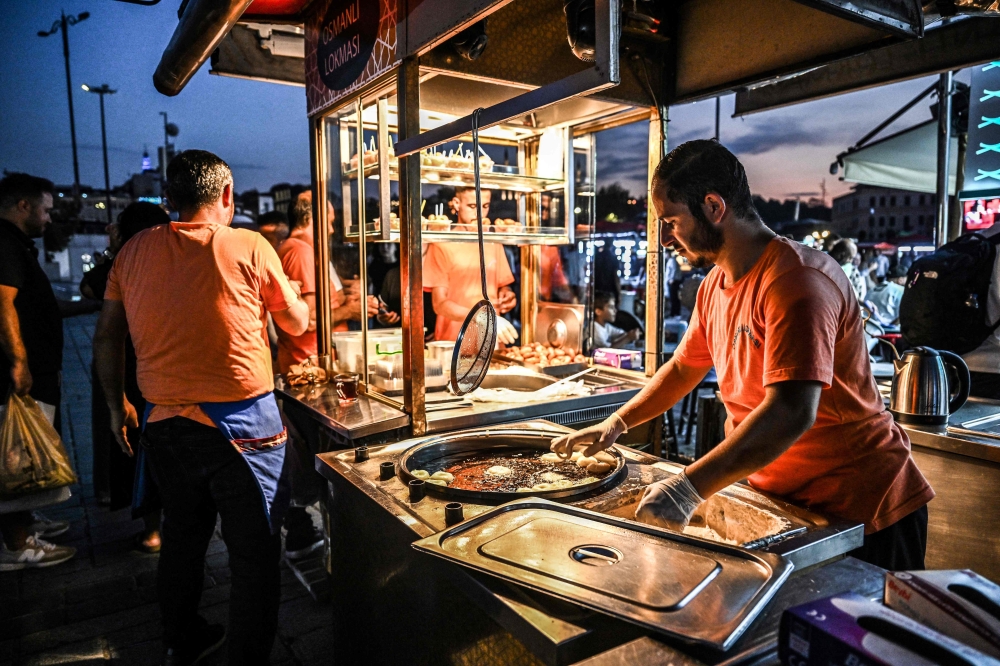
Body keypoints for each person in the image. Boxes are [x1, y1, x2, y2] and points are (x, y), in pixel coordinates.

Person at [551, 140, 933, 571]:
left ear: (714, 207)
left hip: (863, 509)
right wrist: (618, 422)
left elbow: (791, 411)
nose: (665, 238)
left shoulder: (796, 280)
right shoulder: (715, 285)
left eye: (671, 221)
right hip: (785, 499)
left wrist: (688, 487)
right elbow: (684, 366)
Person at [93, 150, 310, 665]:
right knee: (254, 555)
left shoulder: (132, 252)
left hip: (164, 424)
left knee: (182, 541)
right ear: (227, 195)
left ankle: (182, 640)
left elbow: (106, 337)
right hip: (244, 430)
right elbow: (297, 323)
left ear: (170, 197)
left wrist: (115, 406)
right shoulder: (249, 245)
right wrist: (292, 296)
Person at [0, 173, 99, 571]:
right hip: (17, 374)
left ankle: (24, 521)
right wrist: (18, 362)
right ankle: (17, 544)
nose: (49, 217)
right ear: (22, 205)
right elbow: (3, 305)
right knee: (16, 454)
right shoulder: (5, 244)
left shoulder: (15, 244)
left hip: (34, 369)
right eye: (45, 209)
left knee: (24, 450)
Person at [82, 202, 169, 553]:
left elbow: (89, 289)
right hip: (170, 366)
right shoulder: (174, 261)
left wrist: (114, 249)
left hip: (132, 365)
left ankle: (152, 531)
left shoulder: (124, 264)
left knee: (141, 446)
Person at [423, 187, 517, 344]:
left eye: (485, 206)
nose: (479, 213)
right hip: (454, 341)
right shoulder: (441, 244)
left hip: (491, 339)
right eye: (472, 206)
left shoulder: (493, 241)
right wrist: (479, 316)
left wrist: (507, 295)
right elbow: (439, 304)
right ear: (456, 203)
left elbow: (502, 285)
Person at [830, 238, 866, 304]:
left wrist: (863, 303)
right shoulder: (824, 265)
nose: (851, 261)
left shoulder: (850, 269)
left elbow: (854, 294)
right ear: (841, 255)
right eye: (850, 258)